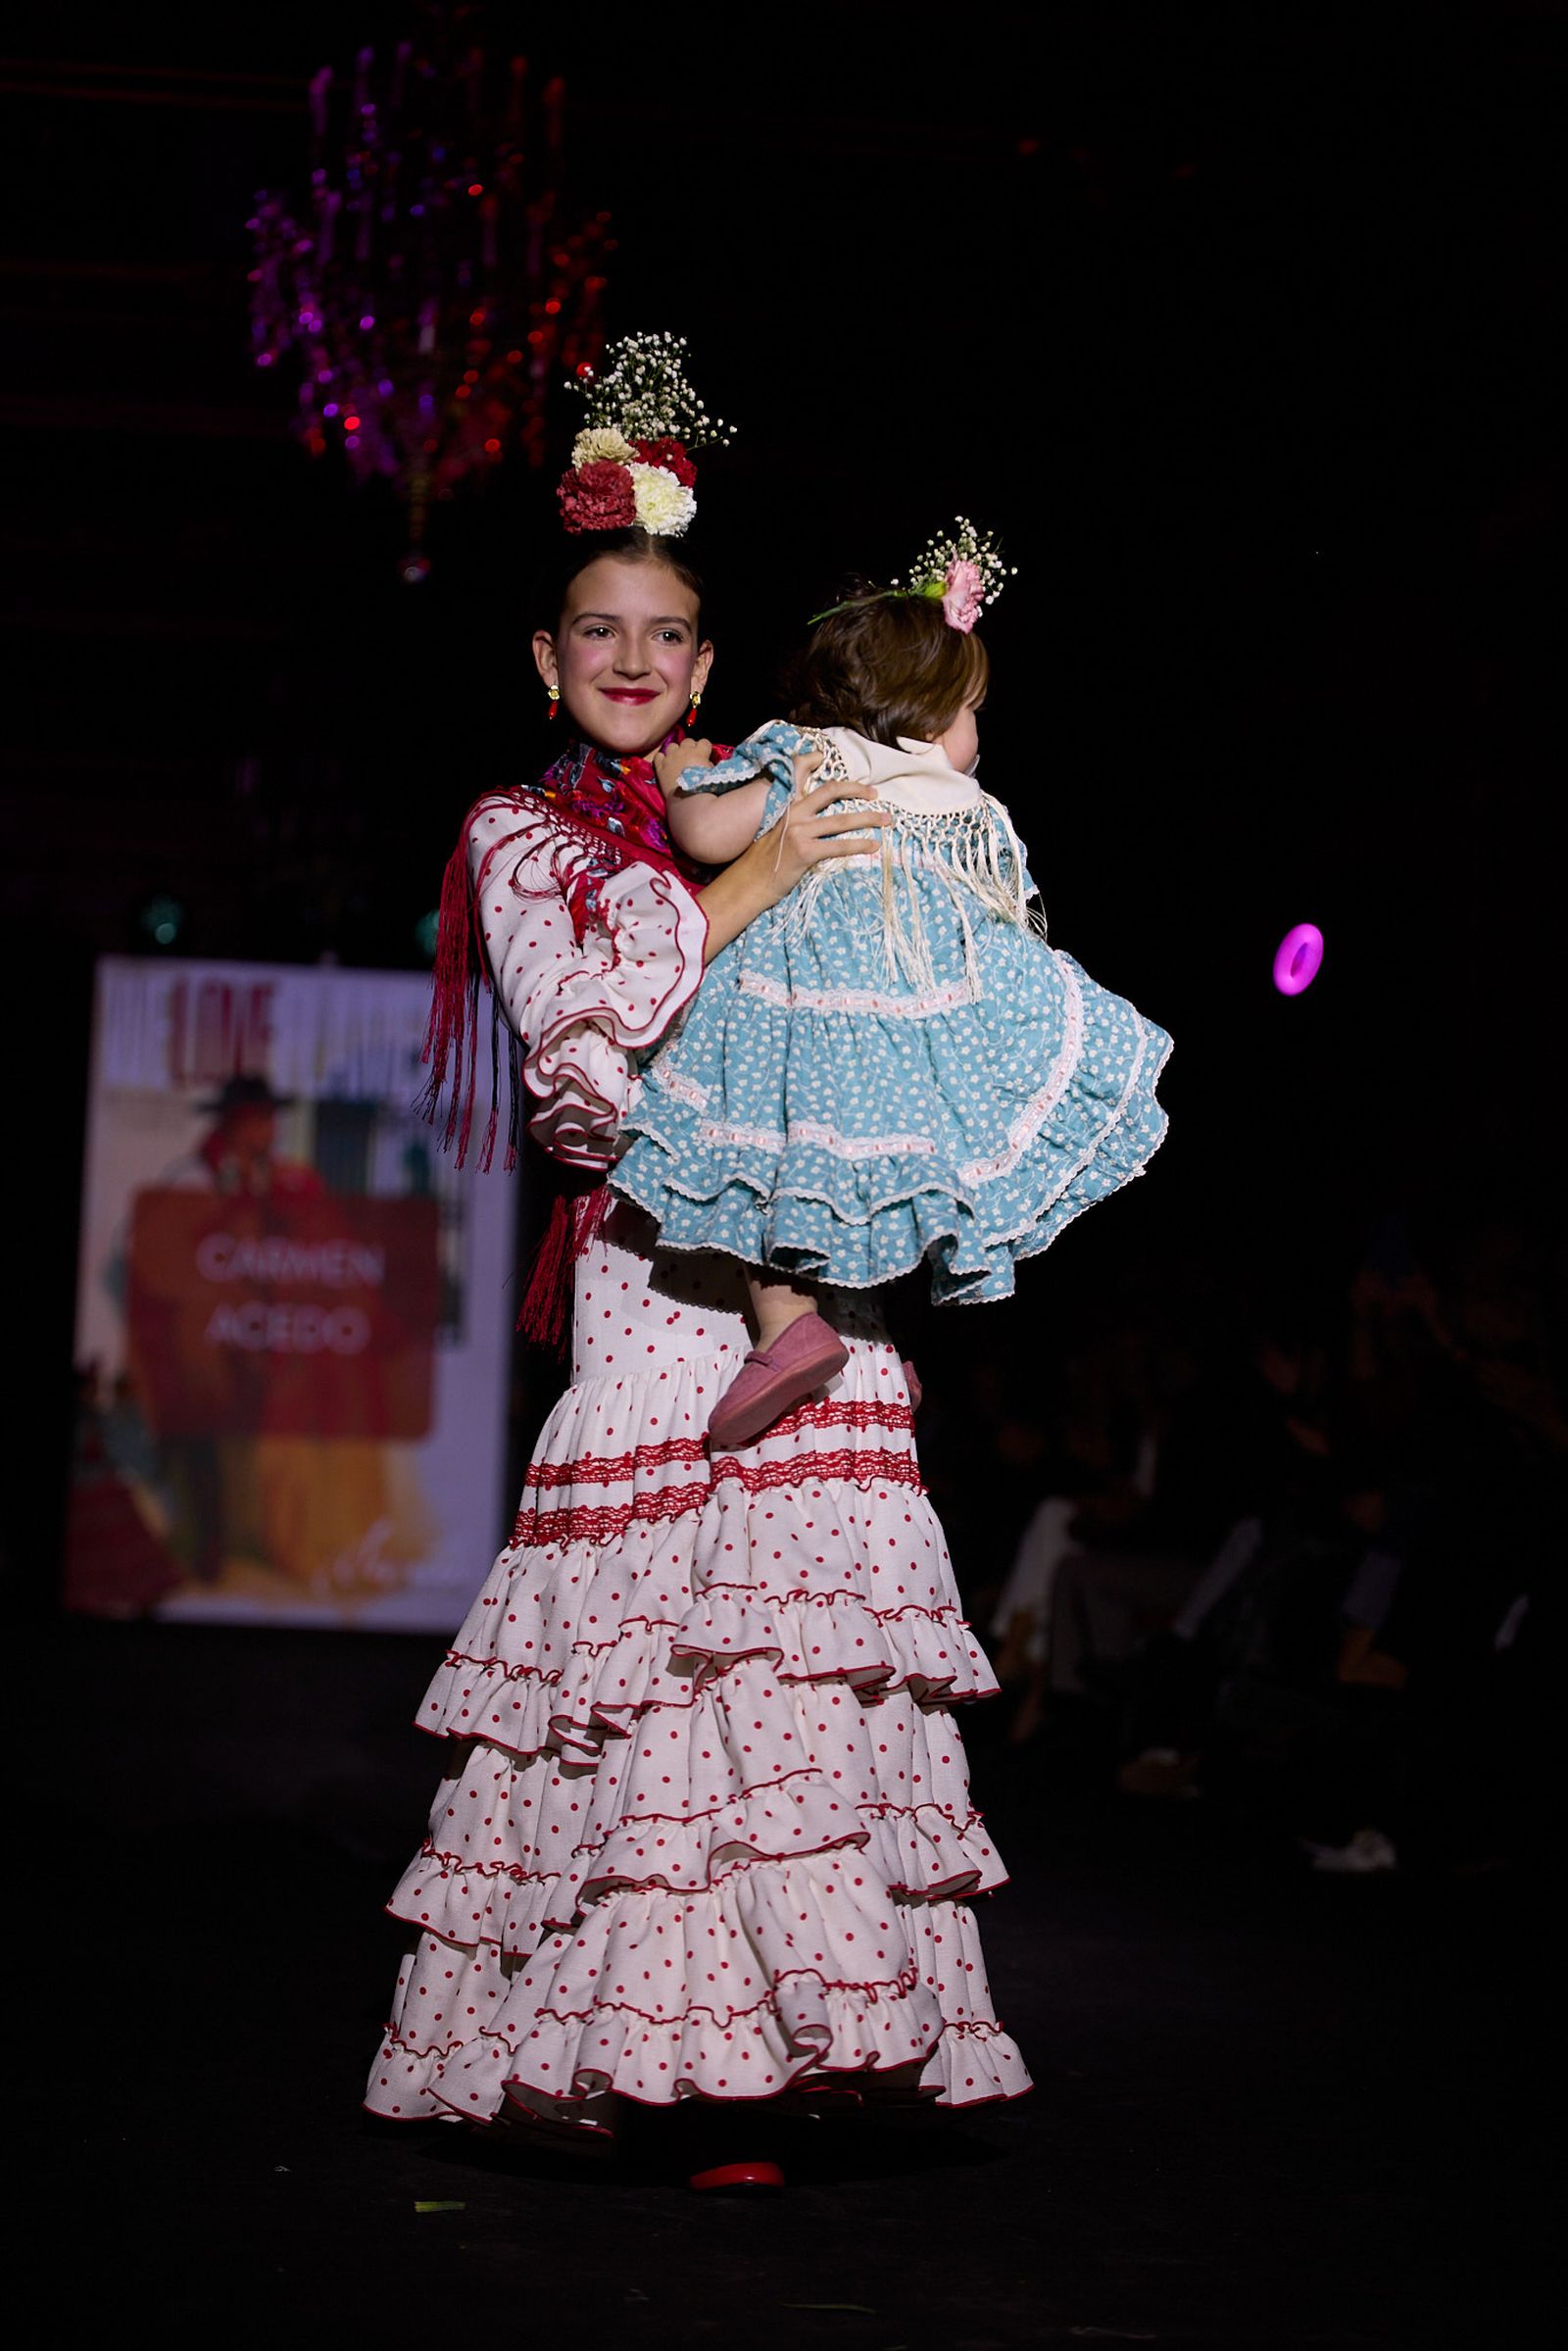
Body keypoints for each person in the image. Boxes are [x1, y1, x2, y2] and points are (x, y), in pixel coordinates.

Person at [366, 340, 1031, 2183]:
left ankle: (788, 2049)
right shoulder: (525, 839)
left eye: (666, 632)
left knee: (800, 1676)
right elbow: (582, 1082)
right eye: (600, 631)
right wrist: (743, 891)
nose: (635, 661)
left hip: (819, 1297)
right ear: (547, 659)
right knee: (652, 1681)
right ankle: (642, 2052)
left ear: (712, 659)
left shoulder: (786, 787)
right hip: (653, 1296)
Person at [610, 524, 1173, 1447]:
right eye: (971, 709)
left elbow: (710, 837)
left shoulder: (812, 756)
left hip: (810, 1008)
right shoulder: (962, 803)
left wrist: (682, 782)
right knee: (881, 1161)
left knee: (782, 1146)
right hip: (911, 1026)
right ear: (922, 707)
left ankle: (791, 1322)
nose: (977, 733)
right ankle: (865, 1329)